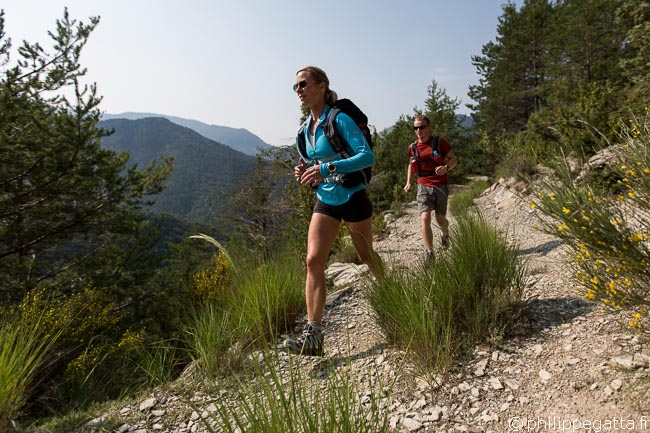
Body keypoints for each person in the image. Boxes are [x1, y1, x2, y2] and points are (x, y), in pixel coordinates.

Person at [284, 66, 384, 356]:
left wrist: (327, 167)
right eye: (296, 87)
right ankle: (313, 335)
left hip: (353, 194)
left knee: (366, 255)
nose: (299, 90)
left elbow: (367, 155)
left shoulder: (339, 119)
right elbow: (311, 161)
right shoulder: (304, 131)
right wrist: (304, 170)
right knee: (313, 260)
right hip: (326, 197)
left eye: (304, 84)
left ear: (322, 86)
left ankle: (389, 290)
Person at [403, 115, 457, 262]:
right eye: (416, 128)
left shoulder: (440, 142)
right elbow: (411, 165)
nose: (418, 130)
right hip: (423, 185)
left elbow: (454, 159)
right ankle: (429, 253)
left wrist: (446, 167)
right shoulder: (412, 147)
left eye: (422, 127)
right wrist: (408, 182)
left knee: (440, 220)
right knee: (425, 218)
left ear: (429, 127)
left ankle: (445, 232)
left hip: (440, 185)